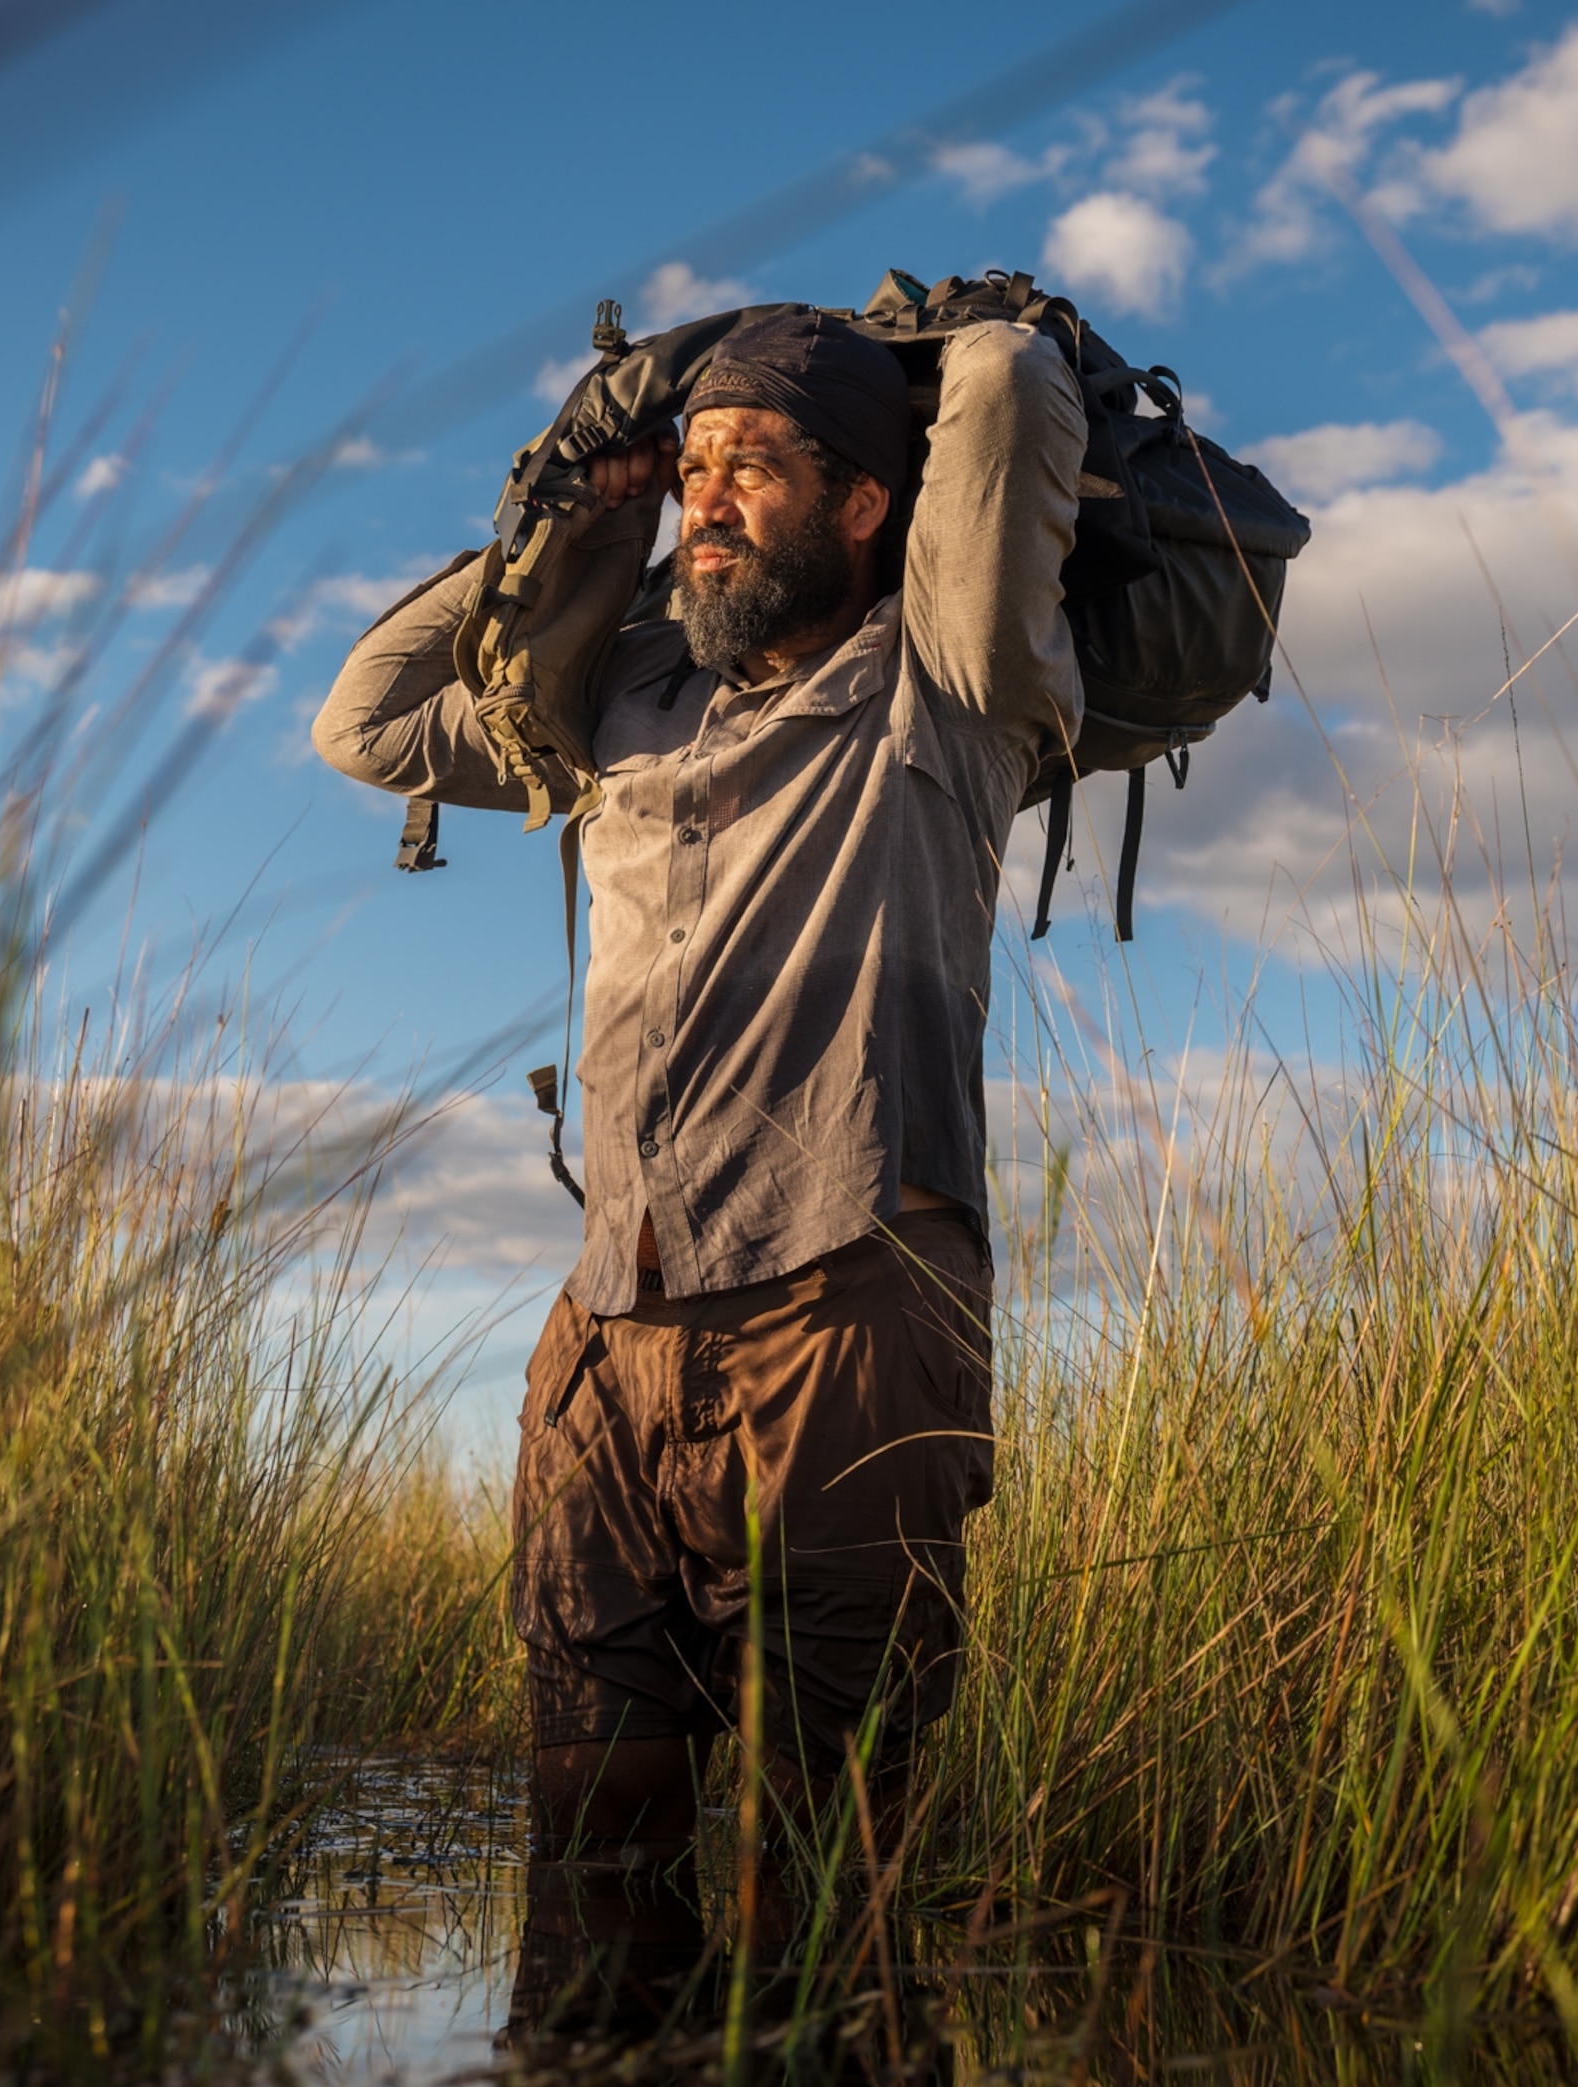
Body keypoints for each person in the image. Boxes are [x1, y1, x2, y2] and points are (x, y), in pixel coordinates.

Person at [313, 307, 1084, 1986]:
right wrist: (579, 497)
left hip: (847, 1314)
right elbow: (366, 721)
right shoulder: (620, 708)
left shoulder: (949, 687)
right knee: (591, 1877)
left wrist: (796, 344)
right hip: (607, 1344)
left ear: (868, 504)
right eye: (697, 474)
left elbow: (1017, 384)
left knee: (831, 1893)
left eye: (755, 465)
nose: (710, 499)